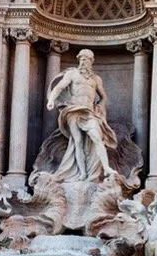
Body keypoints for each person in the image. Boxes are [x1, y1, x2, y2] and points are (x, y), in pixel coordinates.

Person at [45, 49, 118, 182]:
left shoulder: (96, 79)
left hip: (89, 112)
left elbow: (103, 96)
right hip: (73, 110)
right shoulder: (72, 74)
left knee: (97, 138)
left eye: (86, 59)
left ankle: (106, 168)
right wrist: (51, 100)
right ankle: (82, 173)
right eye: (81, 59)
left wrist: (100, 105)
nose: (83, 62)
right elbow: (59, 87)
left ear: (92, 61)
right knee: (77, 141)